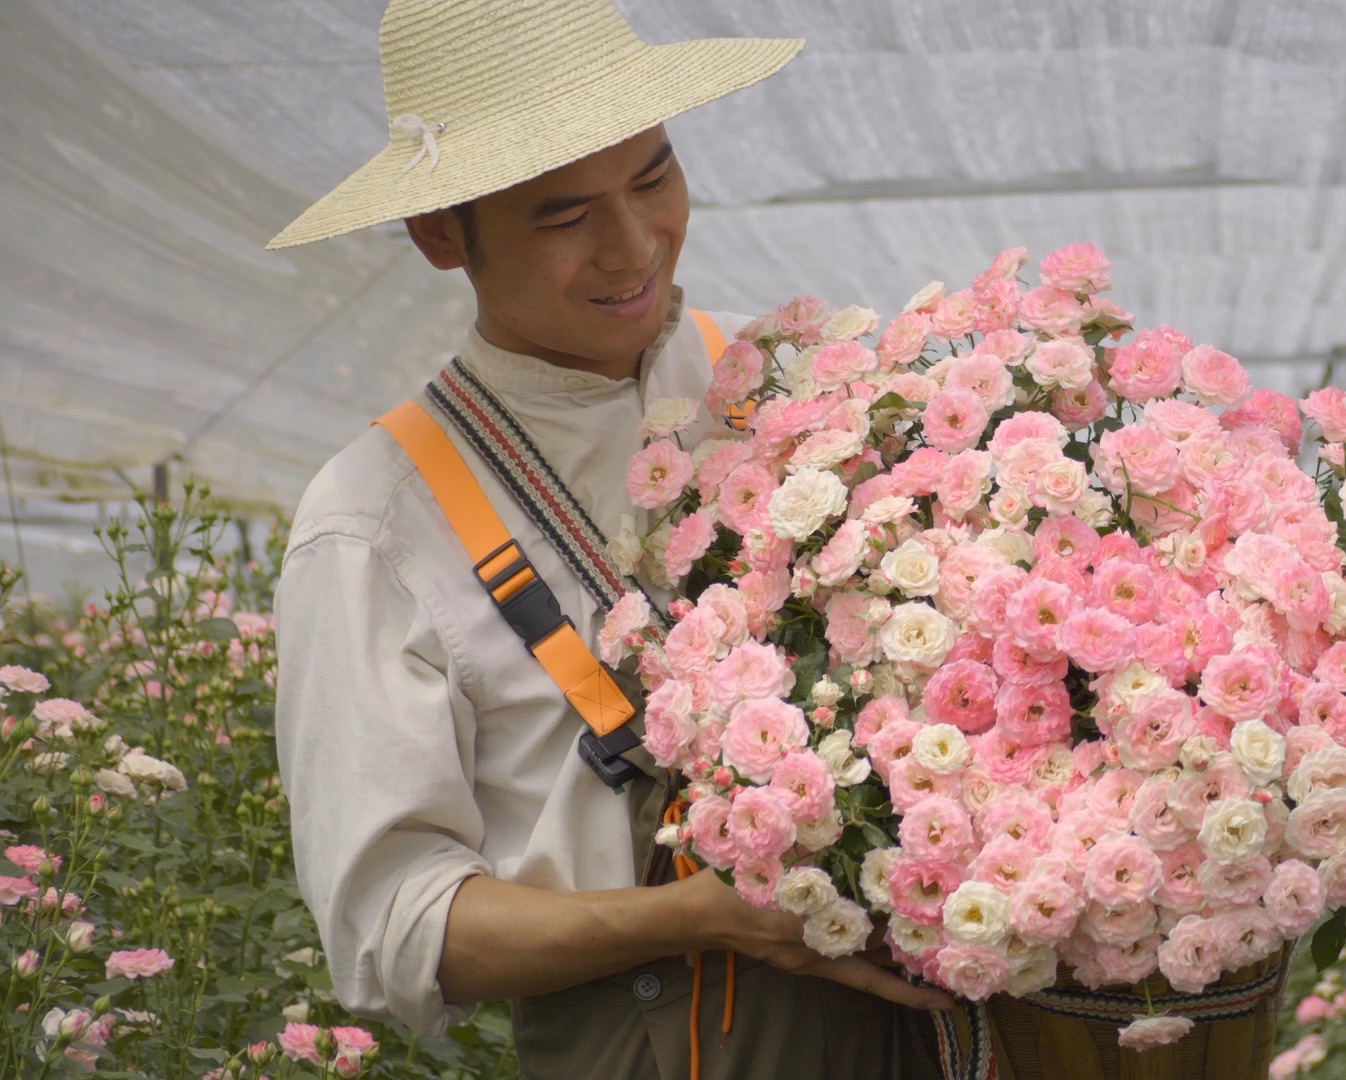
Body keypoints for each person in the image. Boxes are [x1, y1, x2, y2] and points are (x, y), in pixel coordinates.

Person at [268, 2, 953, 1077]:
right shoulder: (374, 522)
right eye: (562, 216)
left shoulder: (796, 390)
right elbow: (395, 924)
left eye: (652, 178)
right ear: (441, 233)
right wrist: (697, 917)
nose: (634, 247)